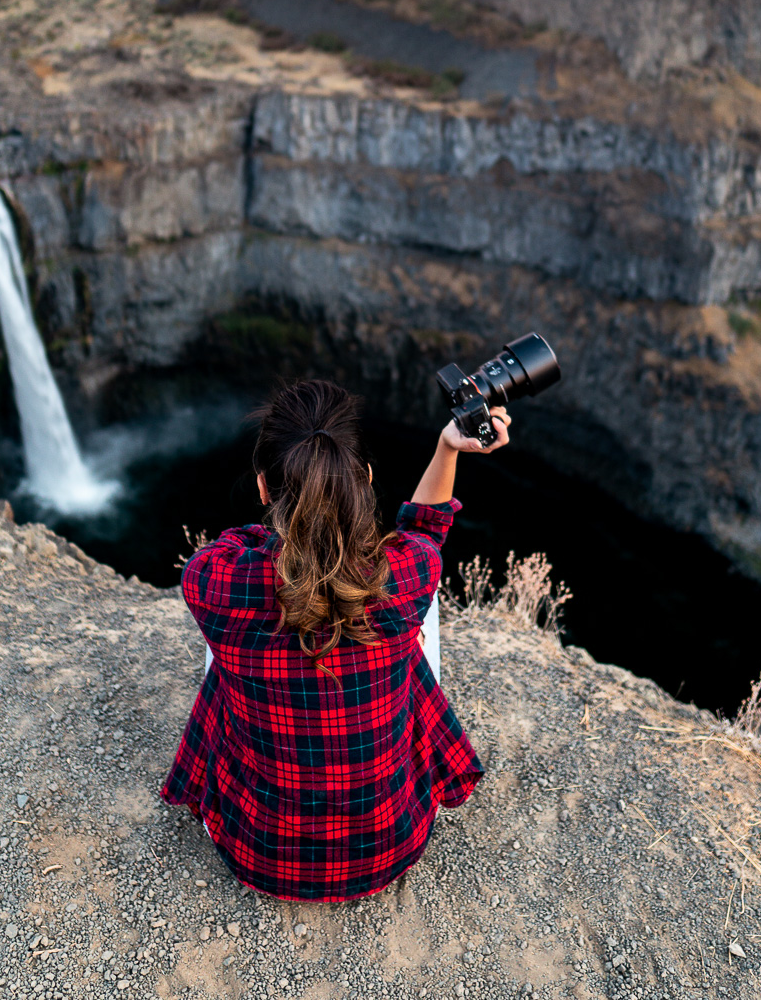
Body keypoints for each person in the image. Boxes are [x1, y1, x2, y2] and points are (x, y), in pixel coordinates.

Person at [160, 377, 511, 902]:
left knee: (228, 650)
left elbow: (242, 544)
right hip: (391, 843)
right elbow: (424, 531)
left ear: (262, 487)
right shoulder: (408, 573)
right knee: (407, 636)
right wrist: (446, 446)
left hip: (259, 851)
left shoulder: (213, 582)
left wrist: (288, 551)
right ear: (364, 479)